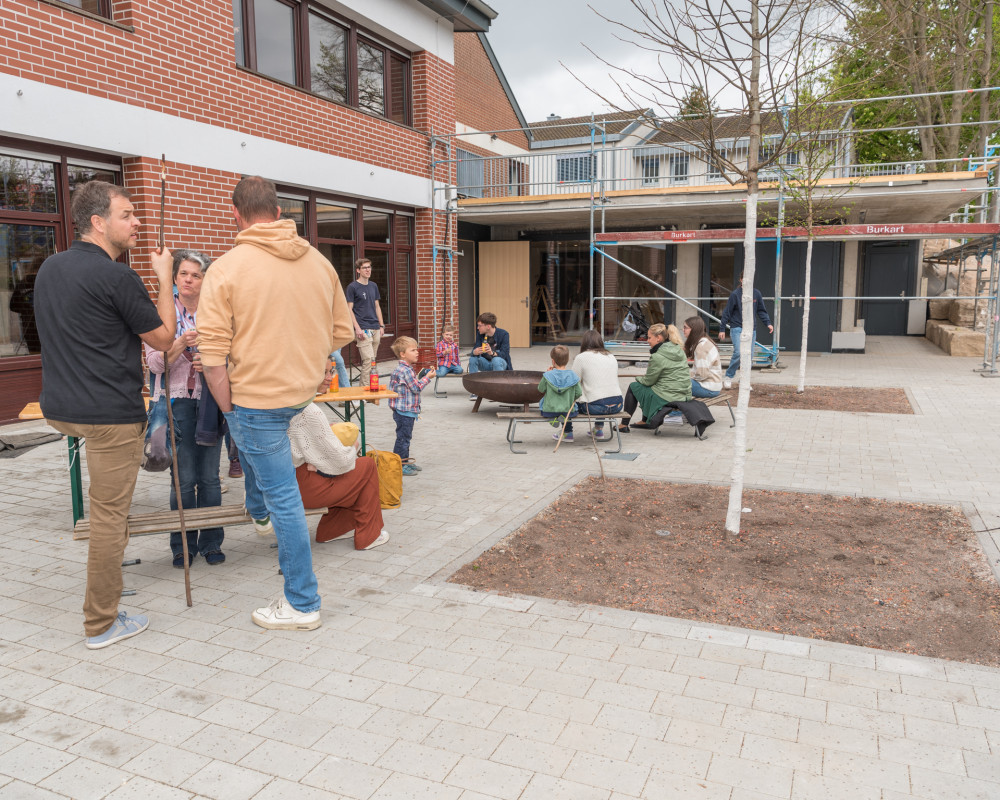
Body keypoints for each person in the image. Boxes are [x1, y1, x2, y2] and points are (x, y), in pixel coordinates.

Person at [198, 176, 353, 632]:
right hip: (299, 395)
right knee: (271, 484)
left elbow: (211, 361)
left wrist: (228, 412)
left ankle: (302, 602)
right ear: (280, 211)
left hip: (255, 401)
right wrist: (306, 356)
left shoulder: (225, 269)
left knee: (282, 498)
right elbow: (342, 332)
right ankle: (260, 512)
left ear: (236, 215)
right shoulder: (319, 263)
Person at [33, 180, 176, 650]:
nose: (137, 223)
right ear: (98, 222)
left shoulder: (49, 268)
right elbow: (164, 342)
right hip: (109, 416)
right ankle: (101, 622)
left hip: (62, 407)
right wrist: (163, 278)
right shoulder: (119, 277)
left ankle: (109, 584)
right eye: (127, 214)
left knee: (102, 509)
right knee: (110, 517)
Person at [144, 249, 225, 569]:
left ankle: (211, 541)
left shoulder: (215, 313)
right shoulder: (163, 314)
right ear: (174, 278)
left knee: (209, 479)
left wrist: (214, 359)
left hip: (210, 404)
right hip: (176, 403)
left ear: (205, 280)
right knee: (183, 478)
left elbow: (233, 356)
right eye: (183, 274)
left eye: (196, 274)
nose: (189, 280)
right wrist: (178, 345)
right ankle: (182, 545)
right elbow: (153, 363)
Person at [289, 361, 388, 550]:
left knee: (353, 473)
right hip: (304, 488)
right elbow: (340, 461)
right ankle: (368, 536)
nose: (330, 377)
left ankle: (333, 530)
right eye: (323, 372)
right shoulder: (308, 410)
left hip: (290, 482)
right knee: (365, 465)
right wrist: (354, 445)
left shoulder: (289, 401)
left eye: (331, 371)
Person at [620, 323, 692, 433]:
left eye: (649, 337)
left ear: (658, 338)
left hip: (669, 396)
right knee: (649, 388)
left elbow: (648, 381)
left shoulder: (657, 356)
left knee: (634, 387)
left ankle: (623, 425)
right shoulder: (679, 350)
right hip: (684, 394)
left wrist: (639, 378)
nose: (647, 341)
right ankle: (645, 420)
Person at [388, 336, 433, 476]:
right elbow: (416, 388)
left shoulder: (405, 369)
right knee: (403, 439)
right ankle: (400, 465)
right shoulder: (406, 370)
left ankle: (405, 462)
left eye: (416, 349)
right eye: (413, 350)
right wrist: (428, 378)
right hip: (404, 411)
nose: (417, 352)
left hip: (404, 410)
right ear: (402, 354)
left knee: (405, 437)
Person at [719, 273, 773, 389]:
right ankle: (728, 376)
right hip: (737, 328)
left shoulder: (756, 293)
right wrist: (722, 328)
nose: (747, 281)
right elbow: (727, 312)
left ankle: (744, 381)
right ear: (741, 280)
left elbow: (761, 311)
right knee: (738, 353)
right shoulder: (735, 294)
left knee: (749, 356)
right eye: (744, 279)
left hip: (751, 329)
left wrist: (768, 323)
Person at [568, 330, 624, 440]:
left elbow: (572, 383)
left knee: (568, 397)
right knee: (601, 393)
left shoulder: (581, 357)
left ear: (584, 342)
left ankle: (567, 432)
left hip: (595, 407)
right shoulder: (611, 356)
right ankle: (598, 430)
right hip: (617, 404)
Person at [346, 257, 385, 388]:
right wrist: (357, 328)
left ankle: (371, 388)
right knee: (368, 360)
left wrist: (381, 325)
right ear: (358, 270)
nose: (368, 270)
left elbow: (377, 306)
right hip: (362, 328)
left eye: (369, 267)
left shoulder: (373, 286)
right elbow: (349, 309)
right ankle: (363, 390)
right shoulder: (352, 287)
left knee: (372, 361)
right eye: (365, 268)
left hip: (375, 328)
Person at [538, 344, 582, 442]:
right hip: (567, 410)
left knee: (542, 403)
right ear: (567, 360)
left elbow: (540, 389)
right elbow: (579, 392)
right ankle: (568, 434)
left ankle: (553, 419)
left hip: (549, 410)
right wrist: (571, 397)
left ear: (553, 361)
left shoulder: (548, 375)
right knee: (569, 408)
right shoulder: (573, 375)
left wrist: (547, 375)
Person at [467, 312, 511, 399]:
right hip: (486, 364)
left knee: (496, 360)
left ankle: (498, 390)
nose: (477, 327)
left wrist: (492, 353)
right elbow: (475, 349)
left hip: (500, 364)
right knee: (472, 359)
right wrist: (474, 352)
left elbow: (505, 354)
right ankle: (475, 391)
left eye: (479, 325)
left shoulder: (504, 334)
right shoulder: (480, 334)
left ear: (488, 326)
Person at [683, 316, 723, 398]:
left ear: (694, 329)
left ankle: (676, 411)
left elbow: (702, 375)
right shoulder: (704, 342)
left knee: (674, 384)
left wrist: (687, 377)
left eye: (685, 328)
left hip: (708, 388)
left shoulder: (701, 346)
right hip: (712, 387)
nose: (683, 330)